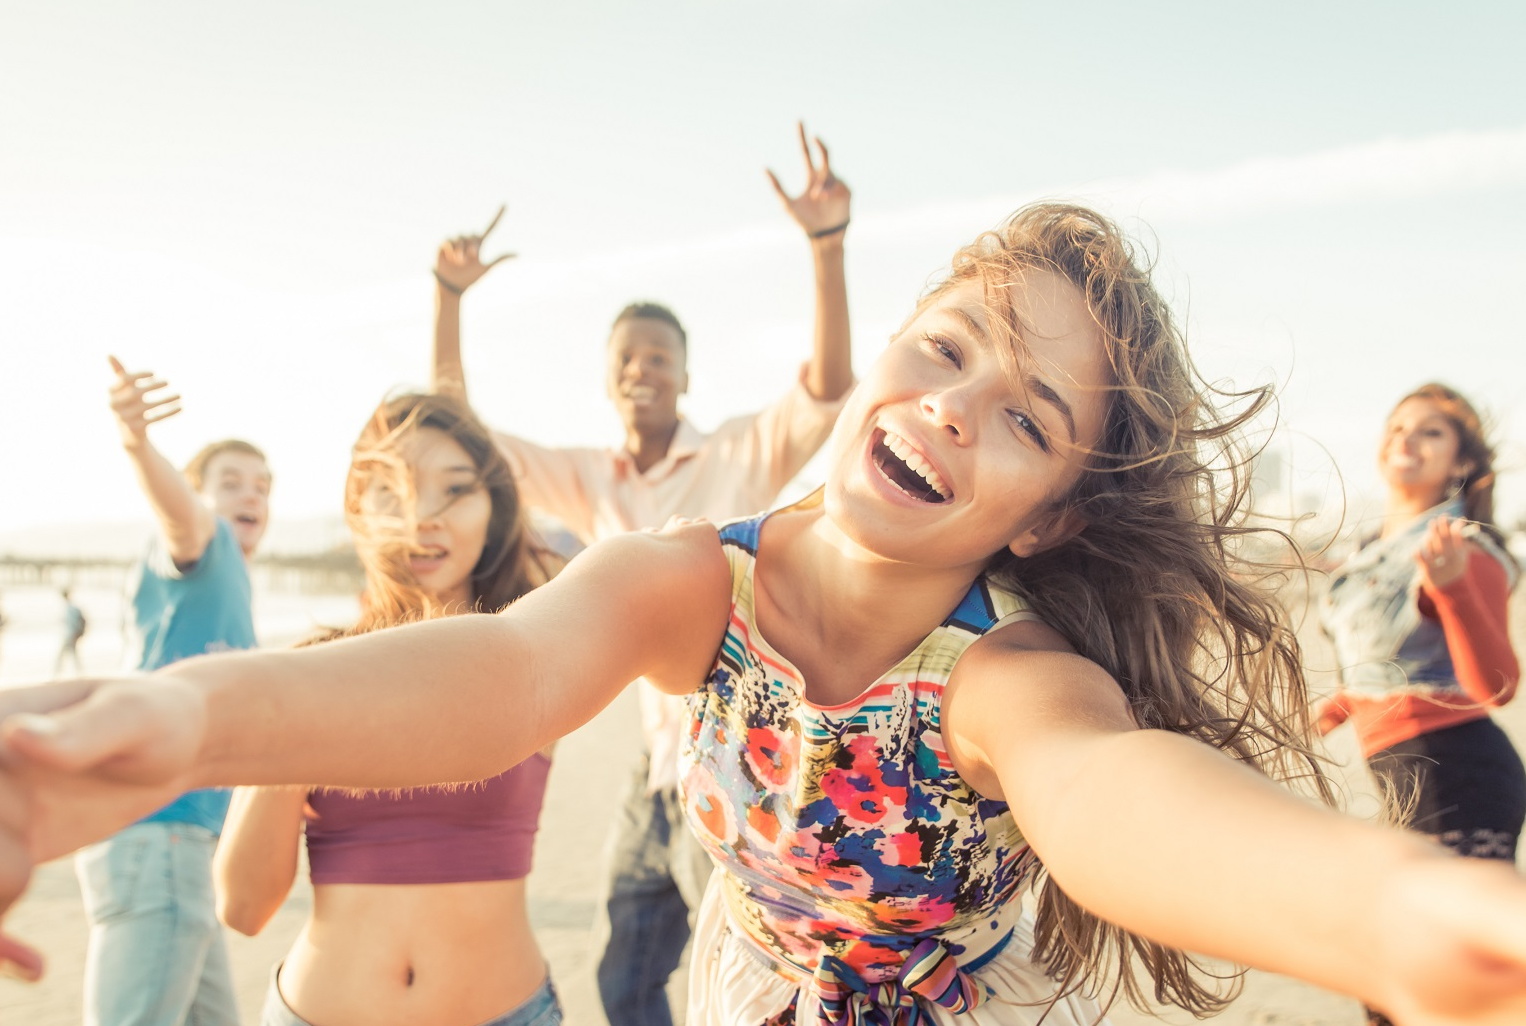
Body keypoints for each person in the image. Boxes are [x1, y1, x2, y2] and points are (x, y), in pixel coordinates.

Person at [10, 204, 1526, 1026]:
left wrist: (1391, 913)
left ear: (1049, 511)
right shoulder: (695, 578)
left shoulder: (1005, 674)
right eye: (941, 350)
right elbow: (504, 670)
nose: (947, 407)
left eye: (1021, 416)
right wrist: (183, 716)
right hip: (754, 989)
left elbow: (1113, 799)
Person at [431, 123, 854, 1025]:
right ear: (608, 376)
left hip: (744, 764)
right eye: (626, 357)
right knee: (624, 983)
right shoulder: (590, 478)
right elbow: (459, 429)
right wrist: (448, 297)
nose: (641, 370)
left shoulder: (740, 451)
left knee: (746, 990)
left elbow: (826, 385)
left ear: (686, 374)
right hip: (654, 770)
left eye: (658, 356)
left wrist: (826, 244)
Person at [214, 393, 566, 1026]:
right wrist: (299, 719)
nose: (422, 517)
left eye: (454, 491)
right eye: (392, 491)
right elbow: (242, 908)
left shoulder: (534, 652)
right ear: (356, 507)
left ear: (494, 506)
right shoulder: (310, 668)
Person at [70, 356, 272, 1026]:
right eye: (232, 482)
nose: (252, 496)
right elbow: (183, 521)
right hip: (158, 837)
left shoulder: (228, 584)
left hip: (187, 847)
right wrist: (137, 444)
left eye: (264, 487)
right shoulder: (202, 546)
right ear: (197, 494)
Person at [1316, 385, 1523, 1025]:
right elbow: (1389, 670)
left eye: (1430, 431)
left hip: (1457, 770)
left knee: (1427, 982)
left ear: (1460, 464)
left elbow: (1496, 683)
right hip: (1404, 774)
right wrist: (1335, 708)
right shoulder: (1363, 551)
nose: (1405, 438)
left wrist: (1455, 584)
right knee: (1409, 974)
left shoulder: (1462, 545)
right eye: (1397, 425)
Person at [54, 587, 86, 677]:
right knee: (73, 654)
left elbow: (74, 622)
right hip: (70, 634)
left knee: (62, 655)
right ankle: (79, 672)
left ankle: (57, 673)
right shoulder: (70, 607)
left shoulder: (70, 608)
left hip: (69, 635)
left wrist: (75, 633)